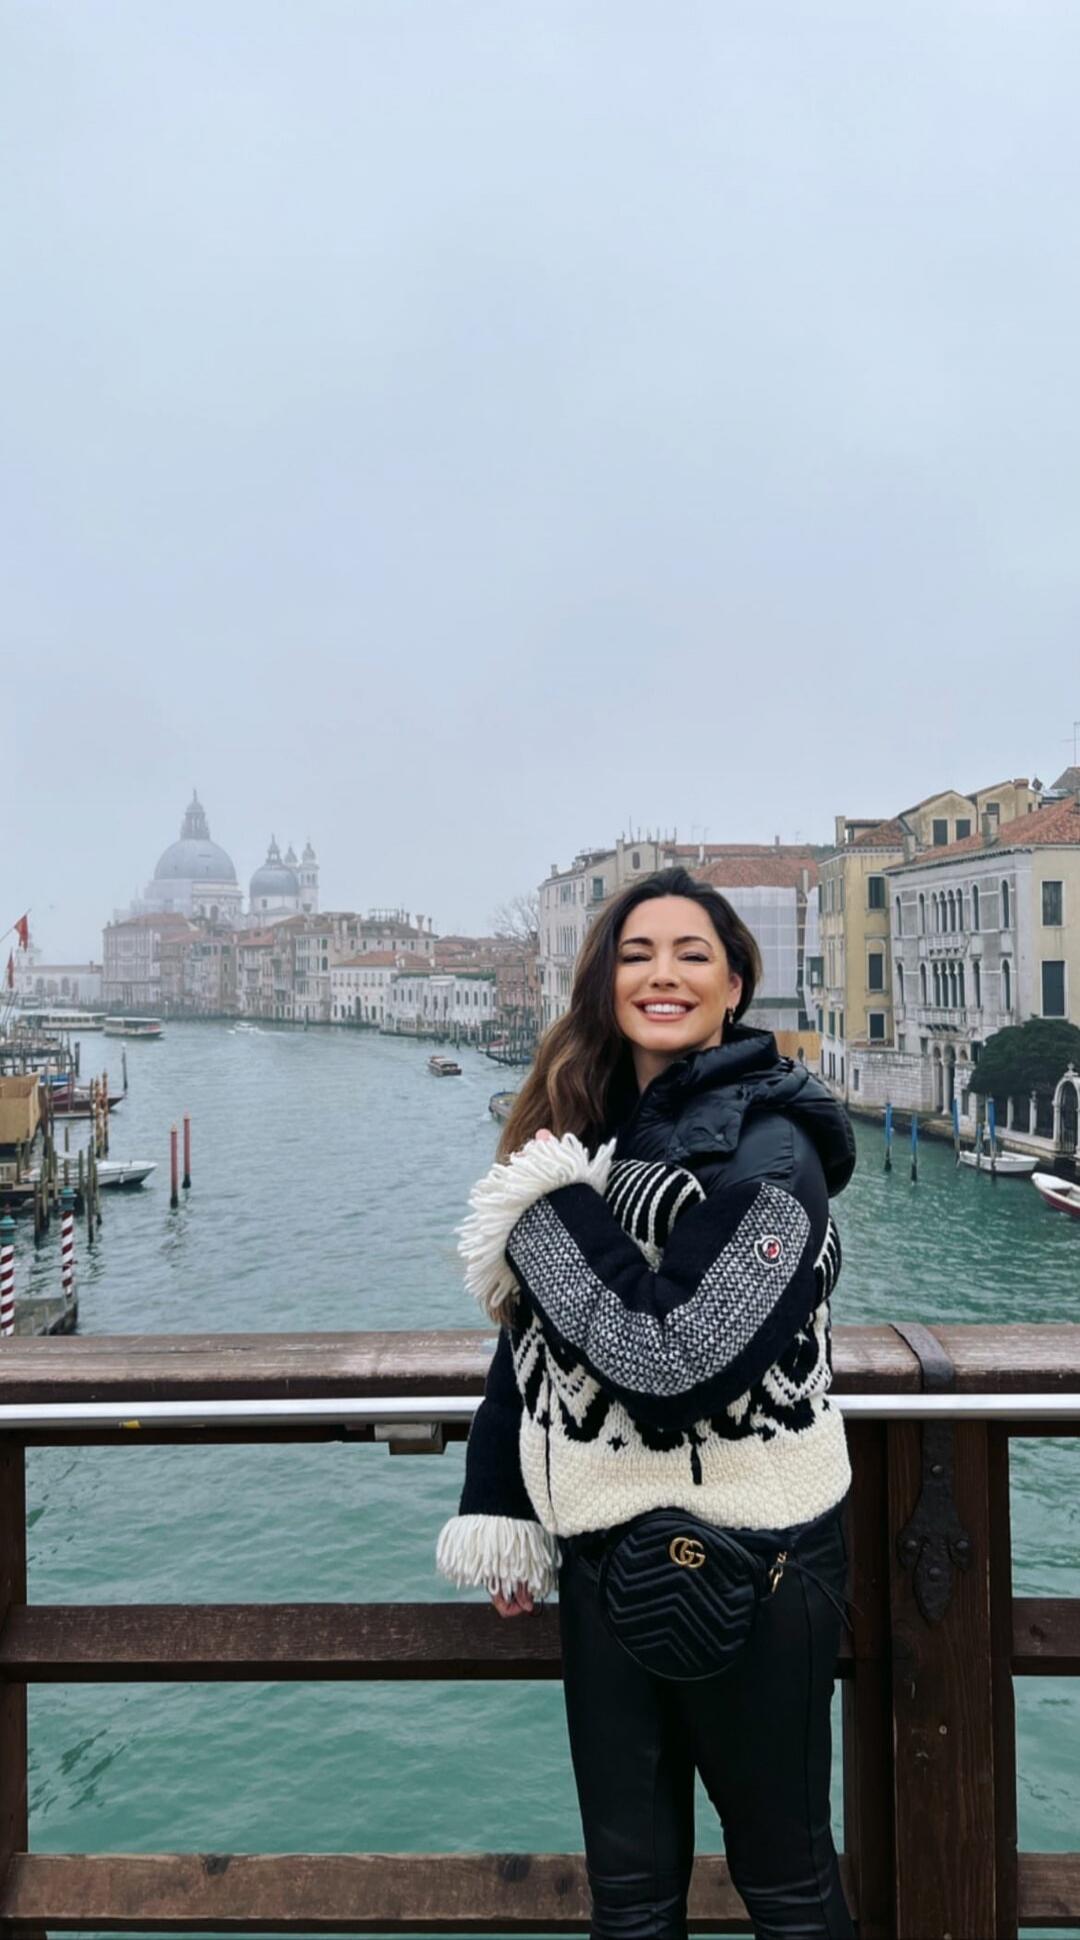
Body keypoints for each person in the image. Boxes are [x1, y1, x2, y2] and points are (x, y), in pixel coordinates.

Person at [436, 866, 857, 1940]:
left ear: (735, 984)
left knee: (790, 1885)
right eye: (635, 953)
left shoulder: (776, 1148)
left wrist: (542, 1211)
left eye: (690, 954)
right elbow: (531, 1342)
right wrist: (503, 1508)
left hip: (764, 1562)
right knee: (627, 1902)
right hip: (597, 1552)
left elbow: (681, 1361)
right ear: (602, 982)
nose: (661, 972)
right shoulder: (595, 1128)